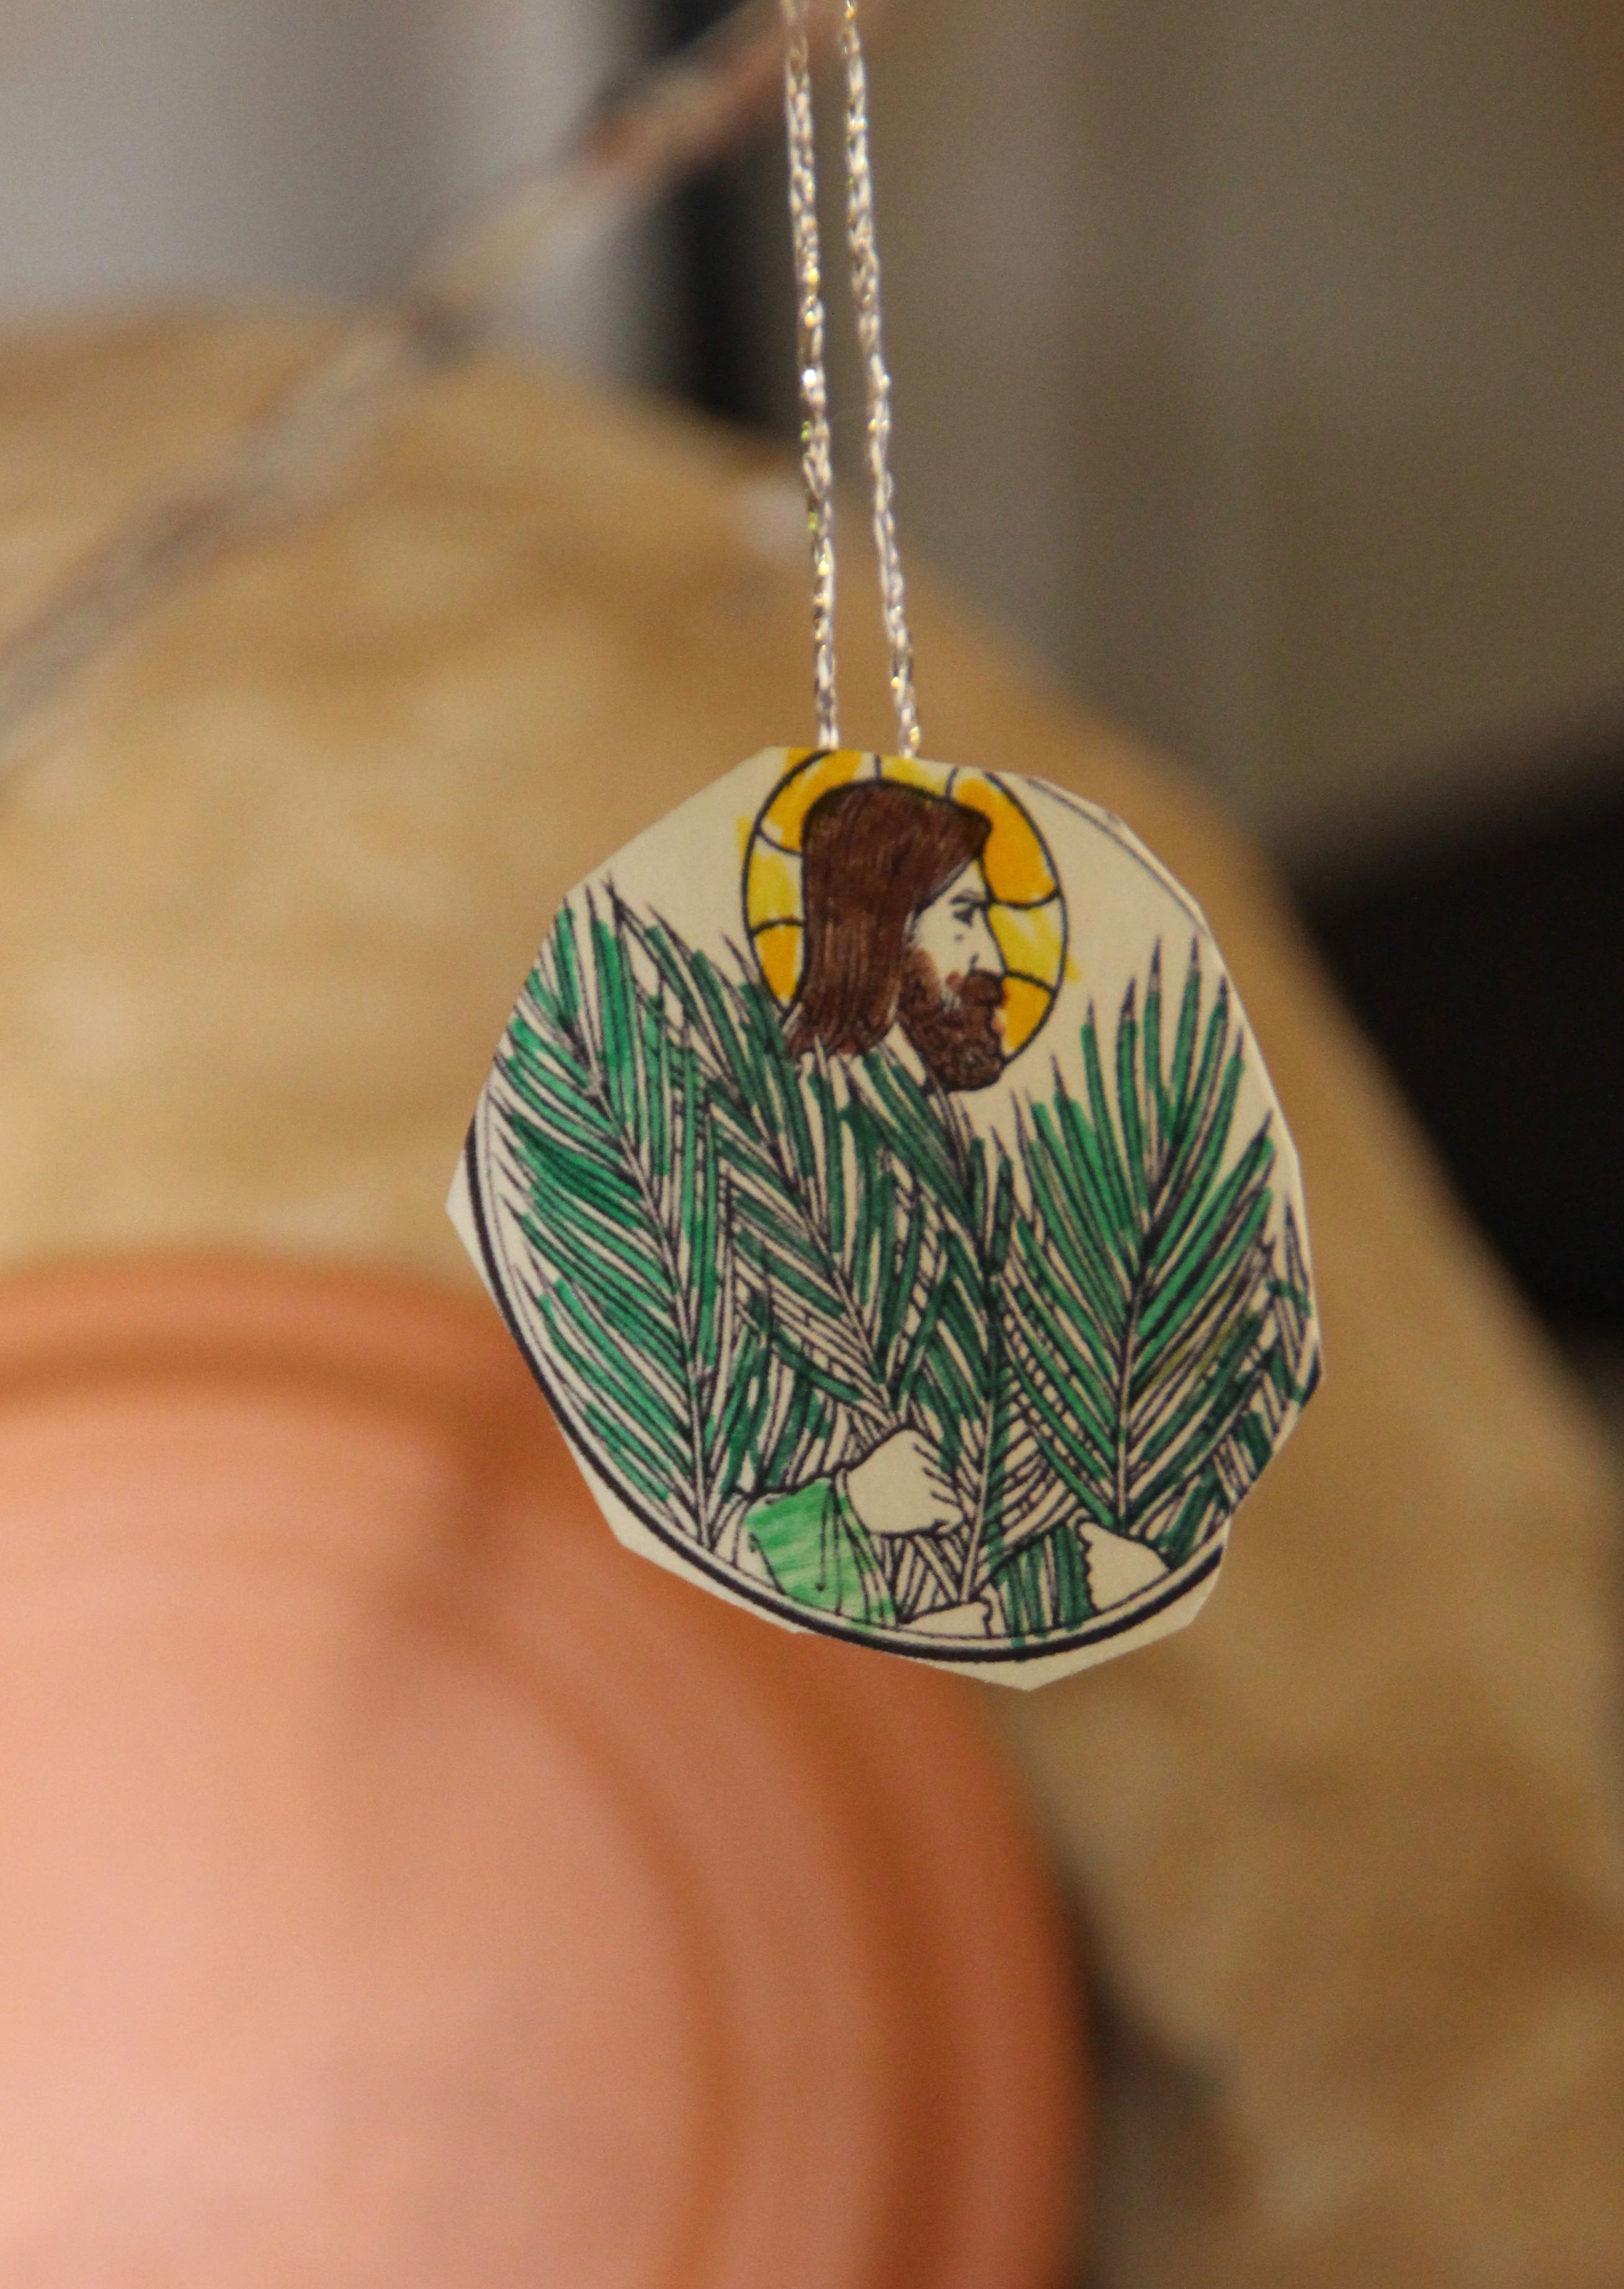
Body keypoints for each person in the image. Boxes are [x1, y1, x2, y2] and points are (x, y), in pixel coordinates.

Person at [744, 779, 1167, 1635]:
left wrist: (1072, 1565)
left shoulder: (957, 1147)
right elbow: (716, 1471)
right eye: (967, 918)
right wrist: (852, 1504)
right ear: (883, 931)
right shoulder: (786, 1150)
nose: (997, 961)